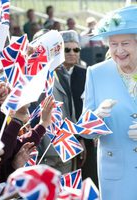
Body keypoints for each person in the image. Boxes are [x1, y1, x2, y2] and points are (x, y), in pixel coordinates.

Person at [83, 5, 137, 199]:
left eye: (125, 43)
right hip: (116, 178)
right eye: (113, 44)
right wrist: (95, 117)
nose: (119, 50)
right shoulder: (96, 73)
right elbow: (85, 131)